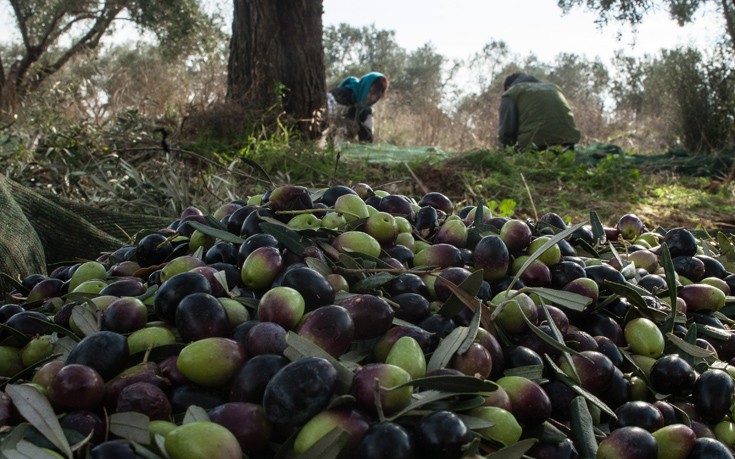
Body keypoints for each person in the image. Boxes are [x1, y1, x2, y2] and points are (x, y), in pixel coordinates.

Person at [498, 72, 580, 151]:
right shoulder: (554, 87)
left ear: (508, 86)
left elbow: (506, 133)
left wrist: (506, 151)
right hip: (569, 145)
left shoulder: (511, 93)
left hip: (536, 147)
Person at [325, 72, 389, 144]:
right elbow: (323, 118)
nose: (373, 99)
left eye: (377, 96)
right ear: (365, 87)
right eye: (371, 92)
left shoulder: (366, 110)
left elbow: (366, 140)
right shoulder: (342, 95)